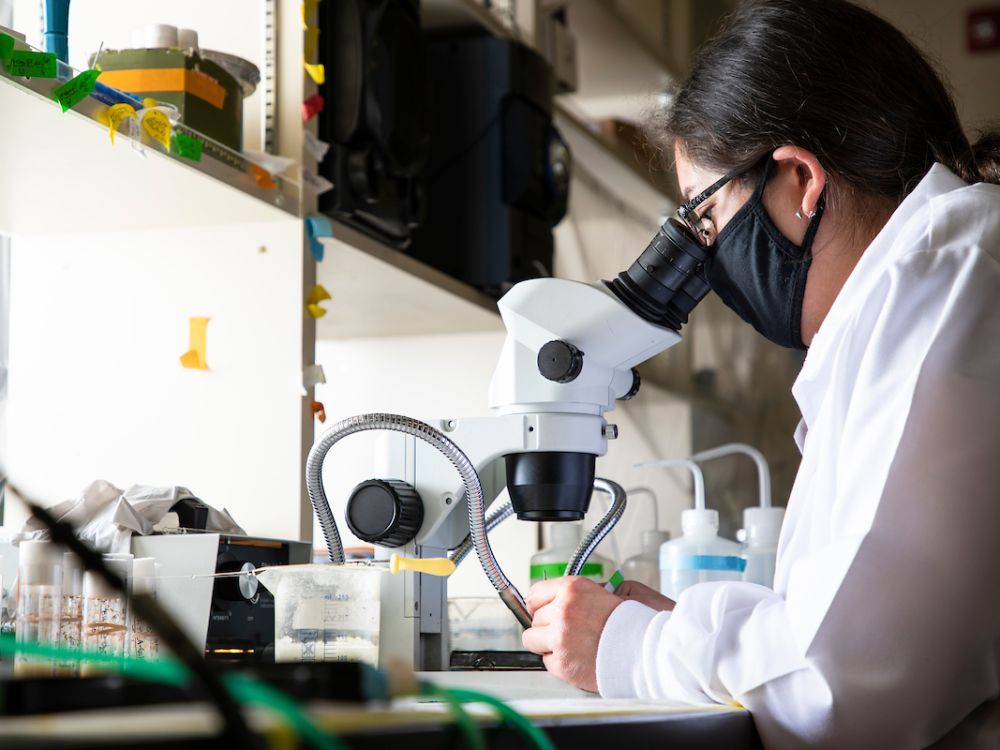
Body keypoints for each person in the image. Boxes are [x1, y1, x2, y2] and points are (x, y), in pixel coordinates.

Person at [520, 1, 1000, 747]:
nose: (704, 261)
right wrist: (683, 633)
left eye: (705, 222)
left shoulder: (951, 277)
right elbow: (848, 621)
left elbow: (843, 689)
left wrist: (635, 649)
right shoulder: (912, 291)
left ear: (801, 180)